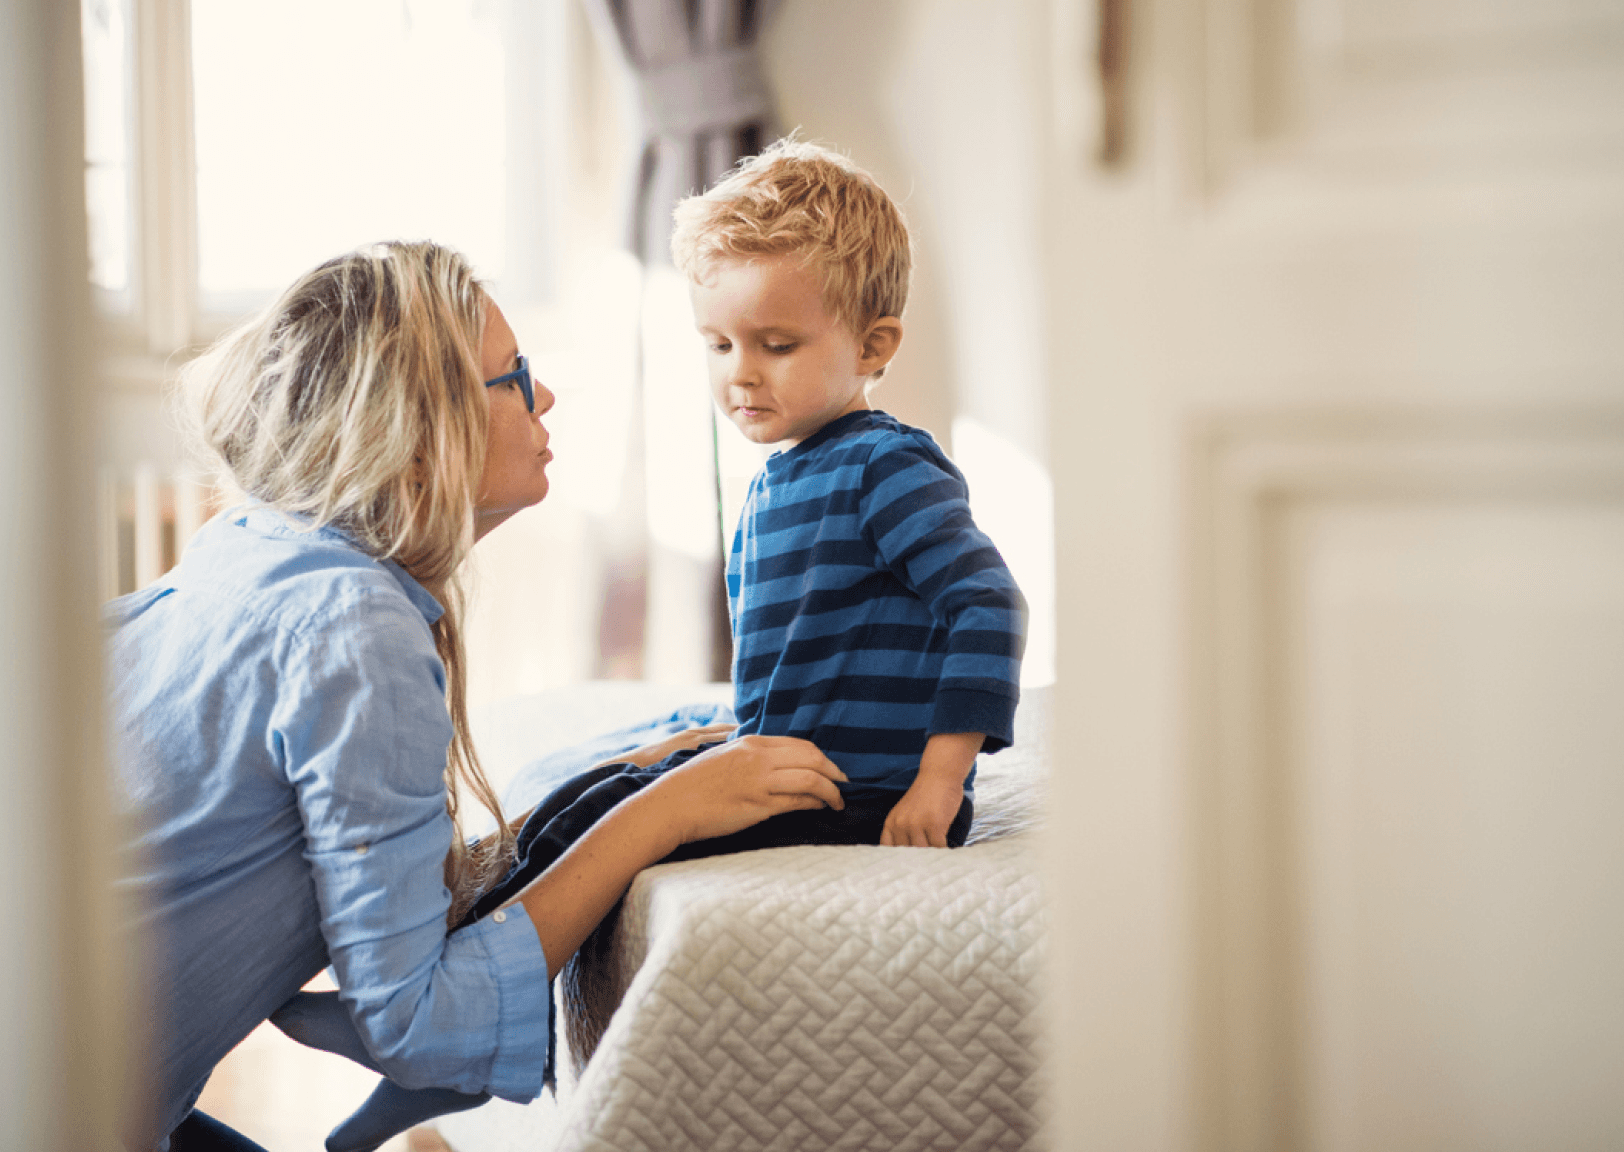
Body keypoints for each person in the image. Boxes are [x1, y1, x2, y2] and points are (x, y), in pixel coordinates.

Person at [305, 138, 1027, 1149]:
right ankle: (430, 983)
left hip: (859, 789)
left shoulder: (885, 468)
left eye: (776, 344)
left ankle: (434, 1059)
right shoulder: (787, 472)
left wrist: (940, 783)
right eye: (719, 345)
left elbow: (987, 607)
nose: (741, 376)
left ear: (873, 347)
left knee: (621, 836)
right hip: (790, 757)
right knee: (586, 796)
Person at [106, 240, 848, 1152]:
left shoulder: (253, 548)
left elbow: (384, 879)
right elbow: (413, 1020)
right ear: (416, 441)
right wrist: (665, 814)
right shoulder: (354, 626)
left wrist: (615, 778)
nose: (544, 397)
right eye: (514, 377)